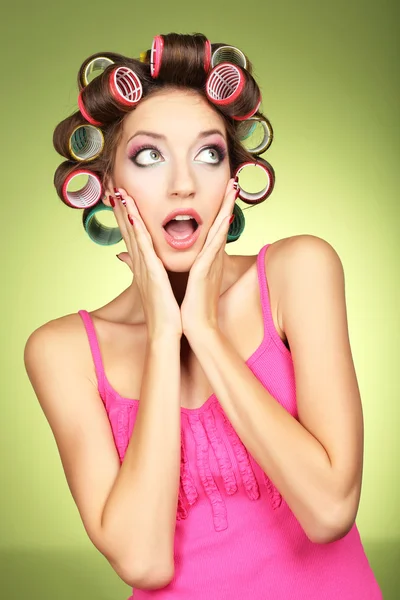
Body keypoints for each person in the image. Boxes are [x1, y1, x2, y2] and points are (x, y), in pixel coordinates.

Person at [23, 32, 382, 599]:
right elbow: (144, 563)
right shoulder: (63, 351)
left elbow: (329, 510)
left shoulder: (298, 274)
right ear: (110, 187)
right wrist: (166, 335)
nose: (183, 183)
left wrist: (205, 333)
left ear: (233, 182)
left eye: (209, 153)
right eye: (149, 156)